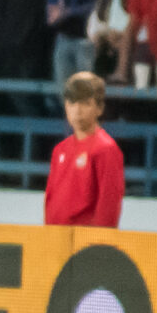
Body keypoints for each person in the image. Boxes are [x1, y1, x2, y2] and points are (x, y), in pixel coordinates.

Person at [44, 71, 124, 226]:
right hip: (55, 236)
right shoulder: (60, 150)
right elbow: (51, 198)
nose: (77, 110)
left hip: (85, 239)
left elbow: (109, 205)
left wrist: (98, 239)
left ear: (99, 108)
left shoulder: (106, 149)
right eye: (71, 103)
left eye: (85, 103)